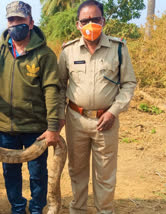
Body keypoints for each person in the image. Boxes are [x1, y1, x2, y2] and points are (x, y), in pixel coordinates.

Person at [0, 1, 61, 213]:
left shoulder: (44, 55)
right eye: (11, 20)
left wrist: (53, 127)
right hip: (6, 126)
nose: (15, 23)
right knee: (10, 171)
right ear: (7, 22)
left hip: (35, 128)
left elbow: (52, 91)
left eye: (20, 19)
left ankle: (36, 208)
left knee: (37, 172)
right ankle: (17, 208)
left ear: (30, 22)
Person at [58, 0, 137, 213]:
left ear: (103, 20)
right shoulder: (68, 51)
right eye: (85, 20)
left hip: (106, 121)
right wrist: (59, 118)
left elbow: (129, 83)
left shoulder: (118, 48)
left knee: (105, 174)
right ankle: (79, 210)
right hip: (76, 119)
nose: (90, 24)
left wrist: (114, 111)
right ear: (77, 24)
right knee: (77, 171)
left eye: (96, 19)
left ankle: (104, 211)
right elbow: (59, 87)